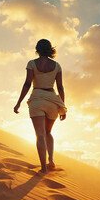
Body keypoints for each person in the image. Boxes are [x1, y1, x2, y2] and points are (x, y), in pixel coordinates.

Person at [13, 39, 67, 175]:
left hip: (37, 99)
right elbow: (60, 87)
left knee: (40, 135)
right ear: (50, 49)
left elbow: (27, 84)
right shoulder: (56, 66)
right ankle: (51, 159)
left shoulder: (32, 63)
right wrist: (63, 106)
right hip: (52, 101)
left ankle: (43, 168)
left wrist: (19, 102)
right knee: (48, 132)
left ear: (37, 49)